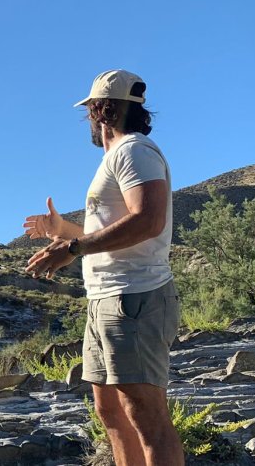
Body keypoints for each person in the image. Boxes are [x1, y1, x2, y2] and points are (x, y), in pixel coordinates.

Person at [24, 69, 184, 466]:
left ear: (99, 110)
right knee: (110, 412)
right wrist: (64, 231)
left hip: (135, 296)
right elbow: (116, 229)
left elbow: (148, 219)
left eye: (90, 112)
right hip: (107, 299)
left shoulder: (134, 151)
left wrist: (73, 247)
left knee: (146, 416)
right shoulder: (117, 157)